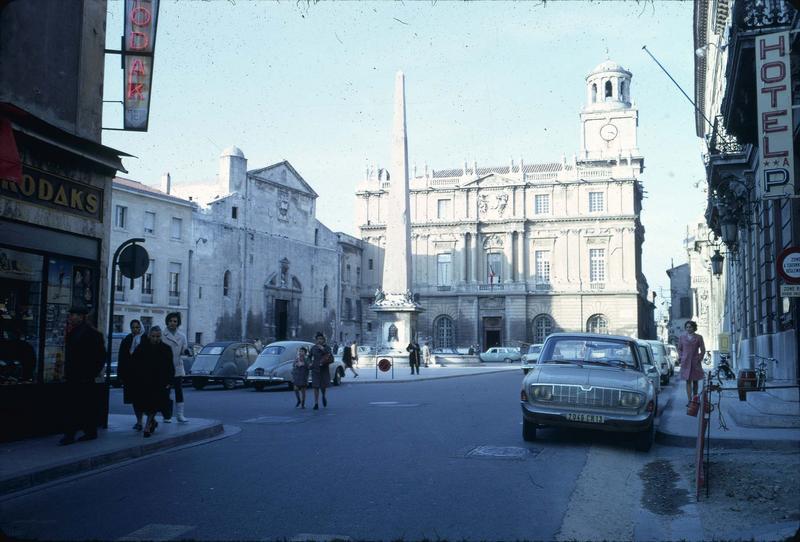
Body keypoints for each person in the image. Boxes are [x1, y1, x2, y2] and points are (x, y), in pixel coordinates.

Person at [59, 306, 105, 445]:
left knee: (81, 406)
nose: (71, 317)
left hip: (84, 377)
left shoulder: (92, 333)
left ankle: (77, 434)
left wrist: (91, 373)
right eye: (71, 315)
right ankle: (80, 432)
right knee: (76, 406)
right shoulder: (73, 332)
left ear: (81, 317)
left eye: (74, 315)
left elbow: (101, 356)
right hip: (73, 376)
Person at [133, 326, 174, 437]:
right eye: (153, 336)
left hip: (158, 382)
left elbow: (170, 366)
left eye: (158, 336)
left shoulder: (166, 349)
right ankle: (150, 422)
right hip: (143, 381)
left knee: (153, 405)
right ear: (149, 336)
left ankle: (147, 427)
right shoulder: (141, 348)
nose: (155, 339)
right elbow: (135, 364)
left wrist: (170, 381)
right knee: (142, 404)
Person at [162, 312, 190, 423]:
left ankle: (180, 415)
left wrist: (186, 351)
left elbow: (183, 349)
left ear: (178, 323)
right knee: (166, 392)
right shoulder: (162, 335)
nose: (173, 323)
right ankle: (167, 415)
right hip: (164, 368)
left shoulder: (182, 336)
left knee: (179, 391)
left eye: (175, 321)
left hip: (177, 366)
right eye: (171, 321)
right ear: (167, 322)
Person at [117, 319, 145, 430]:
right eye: (133, 327)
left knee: (144, 399)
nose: (135, 330)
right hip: (131, 375)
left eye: (137, 327)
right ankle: (139, 421)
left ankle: (149, 419)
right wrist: (121, 375)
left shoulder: (145, 339)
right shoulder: (127, 340)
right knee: (135, 400)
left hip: (143, 375)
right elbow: (122, 358)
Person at [677, 320, 706, 405]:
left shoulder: (699, 337)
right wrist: (681, 357)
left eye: (690, 327)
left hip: (695, 362)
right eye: (687, 327)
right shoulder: (682, 337)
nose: (689, 329)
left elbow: (703, 349)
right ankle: (689, 400)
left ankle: (695, 399)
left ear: (694, 328)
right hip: (685, 362)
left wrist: (699, 358)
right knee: (688, 381)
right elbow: (679, 348)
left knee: (695, 381)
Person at [308, 332, 333, 410]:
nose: (320, 340)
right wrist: (309, 363)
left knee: (323, 386)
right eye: (318, 339)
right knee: (315, 386)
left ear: (324, 340)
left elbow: (331, 357)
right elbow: (309, 357)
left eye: (321, 339)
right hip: (315, 369)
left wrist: (323, 349)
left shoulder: (327, 347)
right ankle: (316, 403)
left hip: (324, 369)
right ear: (316, 340)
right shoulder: (313, 348)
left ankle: (323, 396)